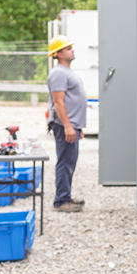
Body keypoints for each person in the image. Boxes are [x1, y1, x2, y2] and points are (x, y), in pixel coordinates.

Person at [47, 35, 87, 212]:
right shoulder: (58, 74)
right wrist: (68, 126)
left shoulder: (66, 72)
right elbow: (59, 102)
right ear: (60, 54)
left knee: (70, 162)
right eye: (69, 48)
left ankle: (66, 196)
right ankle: (61, 201)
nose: (73, 50)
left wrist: (77, 126)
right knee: (65, 162)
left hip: (72, 125)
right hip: (65, 126)